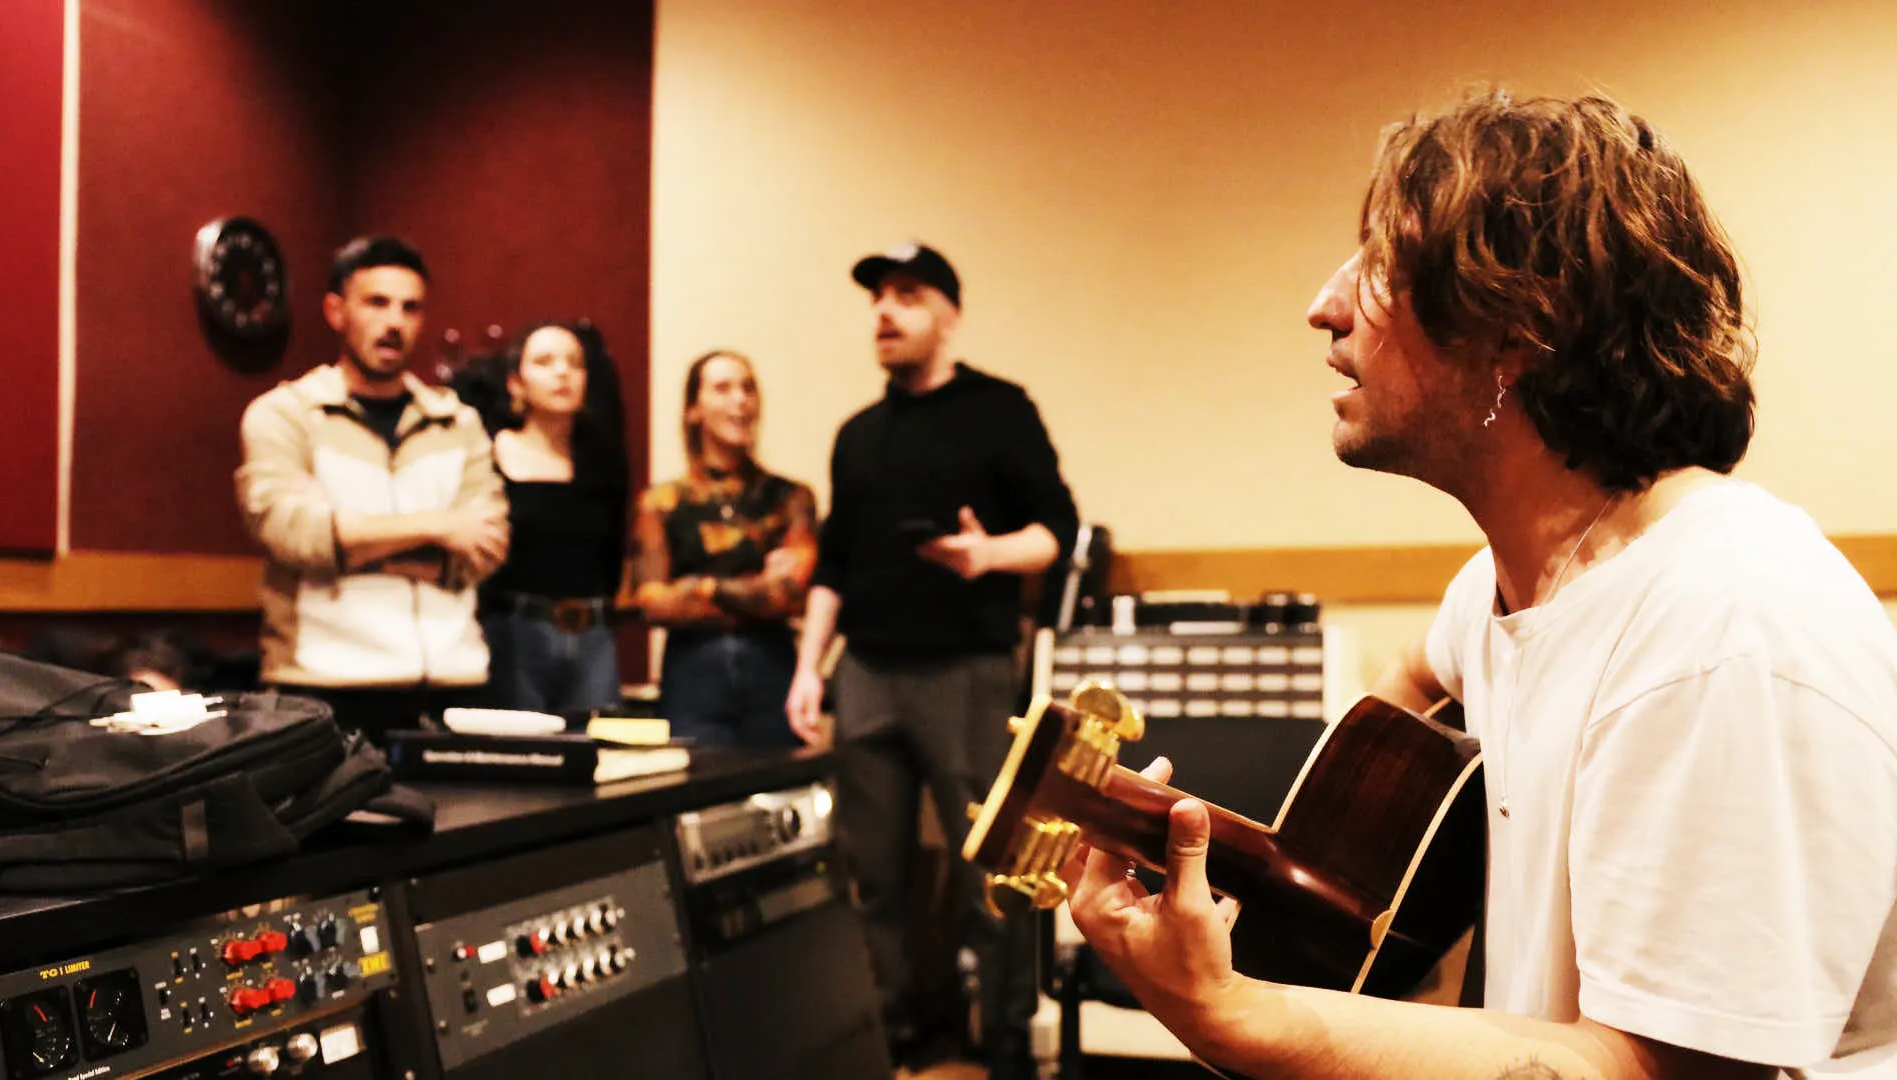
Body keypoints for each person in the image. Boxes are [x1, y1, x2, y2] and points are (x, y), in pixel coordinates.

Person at [1063, 91, 1897, 1080]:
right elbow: (1412, 684)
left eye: (1377, 266)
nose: (1323, 306)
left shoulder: (1726, 630)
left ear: (1519, 330)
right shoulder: (1508, 585)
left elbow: (1658, 1071)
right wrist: (1348, 891)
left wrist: (1235, 1013)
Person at [786, 243, 1081, 1078]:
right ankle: (900, 1046)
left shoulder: (1000, 410)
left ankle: (1010, 1053)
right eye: (879, 297)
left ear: (949, 313)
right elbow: (832, 566)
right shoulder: (858, 435)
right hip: (866, 673)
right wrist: (810, 670)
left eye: (907, 295)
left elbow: (1057, 530)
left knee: (995, 872)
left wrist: (985, 556)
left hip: (968, 675)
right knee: (873, 879)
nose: (885, 311)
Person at [236, 235, 507, 740]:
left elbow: (486, 546)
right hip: (324, 686)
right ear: (336, 312)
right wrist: (438, 526)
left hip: (453, 681)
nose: (394, 322)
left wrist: (353, 548)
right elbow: (295, 533)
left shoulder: (458, 422)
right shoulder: (285, 414)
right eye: (377, 303)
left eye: (410, 307)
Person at [628, 350, 816, 747]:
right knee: (696, 795)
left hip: (773, 666)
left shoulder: (790, 498)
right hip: (694, 672)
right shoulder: (662, 502)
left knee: (779, 791)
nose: (740, 400)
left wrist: (699, 589)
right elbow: (651, 602)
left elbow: (789, 595)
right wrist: (754, 587)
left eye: (748, 387)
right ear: (693, 410)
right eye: (723, 388)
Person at [477, 320, 630, 713]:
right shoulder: (490, 451)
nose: (562, 372)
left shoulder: (603, 459)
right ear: (516, 383)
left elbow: (614, 556)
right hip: (515, 632)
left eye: (574, 363)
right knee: (520, 756)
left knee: (600, 755)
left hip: (593, 635)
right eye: (545, 362)